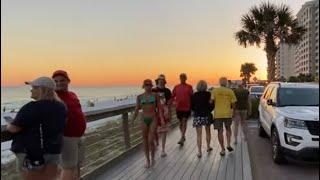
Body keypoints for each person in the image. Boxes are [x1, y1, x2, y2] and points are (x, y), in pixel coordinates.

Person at [7, 76, 67, 180]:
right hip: (54, 150)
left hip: (32, 154)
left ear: (42, 89)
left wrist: (9, 124)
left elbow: (13, 128)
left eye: (34, 87)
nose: (31, 90)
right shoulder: (61, 106)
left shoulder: (32, 107)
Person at [52, 70, 87, 180]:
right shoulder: (52, 97)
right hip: (66, 137)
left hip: (79, 136)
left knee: (76, 165)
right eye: (55, 81)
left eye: (62, 80)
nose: (59, 83)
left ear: (68, 81)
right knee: (68, 167)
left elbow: (78, 111)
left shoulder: (72, 94)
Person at [131, 79, 159, 168]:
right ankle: (147, 160)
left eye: (149, 85)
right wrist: (132, 120)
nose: (148, 86)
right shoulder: (139, 97)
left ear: (152, 86)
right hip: (143, 118)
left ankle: (153, 157)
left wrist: (162, 118)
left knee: (150, 140)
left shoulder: (155, 95)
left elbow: (160, 108)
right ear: (143, 86)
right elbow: (136, 109)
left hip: (153, 118)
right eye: (146, 85)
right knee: (145, 141)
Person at [210, 77, 237, 156]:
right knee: (228, 129)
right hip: (227, 114)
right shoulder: (230, 91)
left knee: (220, 132)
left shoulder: (214, 91)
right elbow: (234, 103)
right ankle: (228, 144)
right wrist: (234, 112)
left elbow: (211, 102)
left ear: (219, 82)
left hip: (218, 114)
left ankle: (222, 149)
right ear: (226, 83)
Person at [191, 80, 214, 158]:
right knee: (208, 132)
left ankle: (199, 152)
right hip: (206, 115)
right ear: (205, 86)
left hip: (197, 116)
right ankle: (208, 147)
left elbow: (192, 106)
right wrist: (209, 110)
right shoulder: (209, 94)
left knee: (199, 135)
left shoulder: (194, 95)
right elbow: (212, 105)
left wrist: (196, 110)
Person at [152, 74, 172, 157]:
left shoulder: (167, 91)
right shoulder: (153, 90)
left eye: (162, 79)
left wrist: (169, 113)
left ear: (164, 81)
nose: (161, 81)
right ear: (157, 81)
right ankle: (156, 143)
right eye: (159, 79)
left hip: (164, 113)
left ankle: (163, 150)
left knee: (164, 132)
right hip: (155, 113)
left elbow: (169, 103)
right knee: (154, 131)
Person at [172, 73, 193, 146]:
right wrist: (173, 102)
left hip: (187, 107)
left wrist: (192, 107)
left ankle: (182, 137)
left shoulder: (189, 87)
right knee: (180, 123)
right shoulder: (176, 87)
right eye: (181, 77)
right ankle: (183, 135)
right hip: (178, 107)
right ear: (180, 78)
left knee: (184, 121)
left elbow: (192, 97)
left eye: (184, 77)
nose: (182, 79)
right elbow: (172, 96)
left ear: (186, 78)